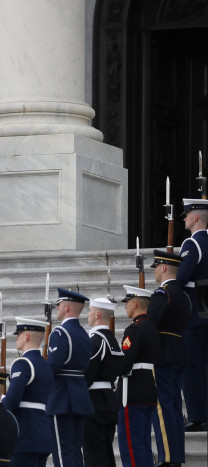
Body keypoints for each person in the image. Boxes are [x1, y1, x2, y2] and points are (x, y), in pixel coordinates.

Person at [149, 250, 191, 466]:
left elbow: (149, 326)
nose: (154, 271)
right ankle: (176, 456)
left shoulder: (161, 294)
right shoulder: (184, 295)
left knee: (162, 406)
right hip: (179, 352)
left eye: (156, 267)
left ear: (164, 268)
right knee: (174, 406)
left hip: (162, 353)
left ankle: (167, 457)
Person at [46, 288, 93, 467]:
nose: (57, 308)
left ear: (66, 308)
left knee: (61, 451)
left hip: (61, 397)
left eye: (58, 305)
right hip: (79, 395)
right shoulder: (84, 334)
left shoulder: (60, 333)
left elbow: (53, 366)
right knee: (74, 450)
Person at [1, 317, 53, 467]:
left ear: (27, 336)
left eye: (18, 334)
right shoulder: (46, 366)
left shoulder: (23, 364)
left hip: (25, 436)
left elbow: (12, 401)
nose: (16, 338)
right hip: (43, 434)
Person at [117, 285, 159, 467]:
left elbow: (125, 363)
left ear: (135, 304)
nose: (125, 307)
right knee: (143, 445)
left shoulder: (134, 329)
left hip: (131, 393)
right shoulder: (151, 327)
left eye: (127, 303)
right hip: (148, 389)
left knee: (131, 447)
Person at [175, 198, 208, 432]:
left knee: (191, 366)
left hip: (194, 314)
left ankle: (198, 416)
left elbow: (180, 279)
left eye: (187, 214)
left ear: (196, 217)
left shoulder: (192, 244)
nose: (184, 218)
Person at [82, 297, 124, 467]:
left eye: (90, 310)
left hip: (95, 402)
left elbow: (87, 374)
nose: (88, 314)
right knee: (105, 453)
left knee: (93, 455)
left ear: (98, 314)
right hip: (108, 400)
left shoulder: (96, 341)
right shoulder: (111, 340)